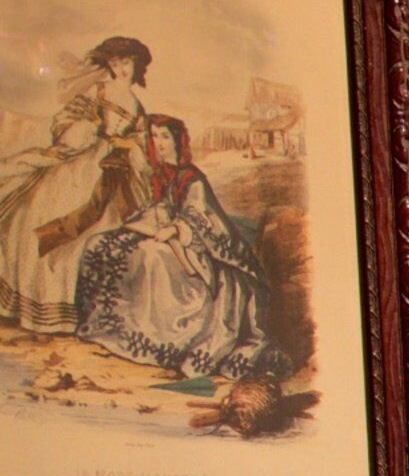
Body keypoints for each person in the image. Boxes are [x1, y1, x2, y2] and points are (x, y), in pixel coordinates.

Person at [72, 113, 291, 382]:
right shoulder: (163, 174)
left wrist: (176, 229)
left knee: (152, 257)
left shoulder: (193, 178)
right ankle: (116, 326)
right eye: (154, 136)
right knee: (102, 244)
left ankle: (164, 338)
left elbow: (201, 216)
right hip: (170, 236)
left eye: (164, 136)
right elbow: (162, 207)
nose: (159, 142)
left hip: (199, 250)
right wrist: (151, 224)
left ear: (178, 141)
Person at [0, 36, 156, 337]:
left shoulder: (137, 107)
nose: (121, 69)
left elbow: (140, 144)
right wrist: (85, 130)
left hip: (112, 175)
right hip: (77, 166)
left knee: (92, 240)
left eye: (126, 62)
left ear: (137, 65)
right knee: (45, 227)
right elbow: (64, 120)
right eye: (115, 63)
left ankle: (78, 315)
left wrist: (129, 149)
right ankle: (38, 309)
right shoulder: (97, 90)